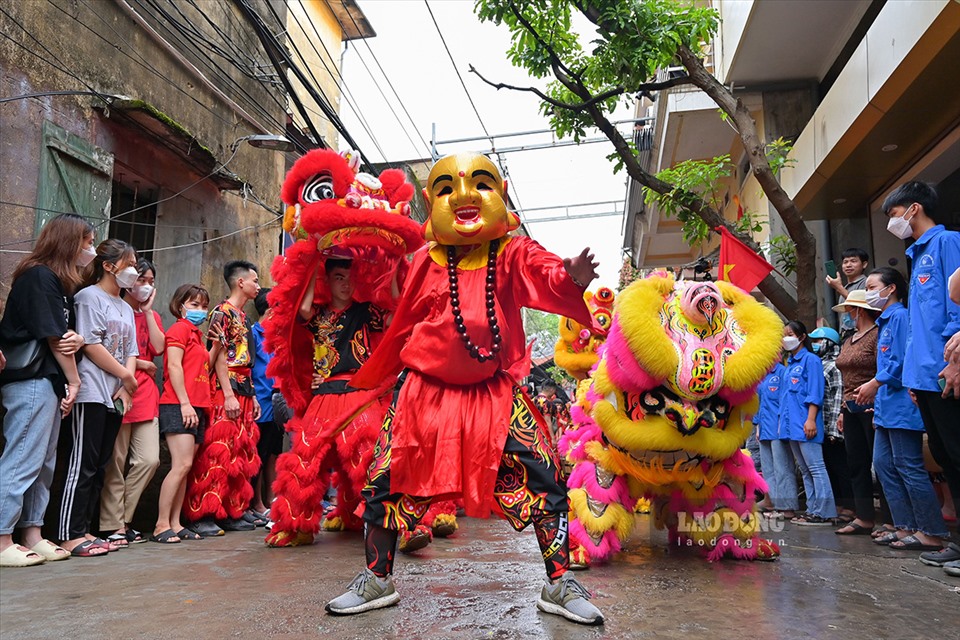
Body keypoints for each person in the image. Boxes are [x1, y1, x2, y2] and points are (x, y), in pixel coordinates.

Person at [325, 153, 604, 625]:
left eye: (480, 183)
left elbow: (547, 275)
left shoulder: (513, 252)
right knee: (384, 480)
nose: (466, 196)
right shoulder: (421, 261)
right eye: (448, 188)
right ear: (433, 202)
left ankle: (558, 583)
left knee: (546, 476)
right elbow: (379, 287)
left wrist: (571, 276)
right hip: (421, 393)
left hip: (493, 394)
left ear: (501, 194)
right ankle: (377, 578)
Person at [265, 258, 392, 547]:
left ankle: (390, 522)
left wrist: (394, 263)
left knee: (370, 458)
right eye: (338, 278)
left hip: (359, 392)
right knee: (304, 459)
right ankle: (296, 525)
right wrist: (314, 260)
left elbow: (393, 318)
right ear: (327, 281)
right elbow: (304, 308)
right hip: (324, 396)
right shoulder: (318, 314)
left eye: (349, 277)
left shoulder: (366, 309)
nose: (346, 284)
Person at [0, 214, 90, 566]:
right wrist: (75, 381)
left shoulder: (57, 283)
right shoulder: (39, 277)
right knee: (22, 458)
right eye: (86, 242)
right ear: (69, 242)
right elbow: (55, 340)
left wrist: (76, 344)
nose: (89, 250)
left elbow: (66, 338)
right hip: (32, 381)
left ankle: (32, 533)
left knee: (43, 462)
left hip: (48, 382)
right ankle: (2, 537)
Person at [853, 267, 949, 552]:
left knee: (909, 466)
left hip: (902, 405)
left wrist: (875, 383)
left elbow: (903, 361)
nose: (868, 293)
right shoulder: (886, 321)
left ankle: (931, 531)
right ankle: (904, 525)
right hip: (886, 406)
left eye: (871, 287)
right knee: (883, 465)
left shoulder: (901, 317)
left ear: (891, 288)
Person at [881, 182, 960, 523]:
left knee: (957, 453)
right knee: (943, 455)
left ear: (914, 208)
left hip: (947, 370)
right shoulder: (916, 254)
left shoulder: (947, 242)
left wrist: (956, 361)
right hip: (925, 376)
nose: (892, 223)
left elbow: (956, 308)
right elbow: (920, 324)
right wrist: (913, 378)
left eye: (895, 214)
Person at [58, 239, 140, 556]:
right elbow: (90, 345)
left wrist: (126, 382)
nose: (132, 270)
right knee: (84, 464)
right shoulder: (88, 298)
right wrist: (125, 375)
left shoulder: (125, 306)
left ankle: (86, 531)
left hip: (116, 394)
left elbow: (131, 350)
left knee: (101, 464)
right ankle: (70, 533)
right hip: (92, 389)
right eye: (129, 264)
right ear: (109, 266)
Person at [184, 261, 261, 536]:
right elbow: (217, 357)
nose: (258, 285)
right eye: (254, 280)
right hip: (224, 389)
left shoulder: (243, 316)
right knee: (217, 451)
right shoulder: (222, 313)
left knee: (240, 452)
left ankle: (231, 511)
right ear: (240, 282)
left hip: (244, 388)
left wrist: (251, 396)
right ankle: (202, 512)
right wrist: (228, 394)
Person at [99, 258, 163, 546]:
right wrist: (141, 364)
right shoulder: (117, 310)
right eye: (141, 279)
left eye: (150, 281)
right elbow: (107, 348)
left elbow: (159, 348)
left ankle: (122, 519)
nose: (145, 285)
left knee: (150, 459)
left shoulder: (150, 316)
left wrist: (148, 312)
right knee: (116, 461)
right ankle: (113, 526)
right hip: (118, 389)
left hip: (146, 395)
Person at [153, 284, 213, 544]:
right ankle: (160, 525)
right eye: (194, 304)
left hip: (196, 405)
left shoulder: (197, 335)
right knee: (181, 465)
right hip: (179, 404)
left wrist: (218, 343)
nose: (200, 310)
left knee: (186, 468)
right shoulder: (178, 329)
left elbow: (203, 368)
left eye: (203, 305)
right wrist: (185, 403)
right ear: (180, 306)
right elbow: (174, 366)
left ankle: (175, 523)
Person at [832, 290, 885, 536]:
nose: (848, 315)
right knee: (856, 462)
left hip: (873, 404)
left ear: (859, 310)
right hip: (850, 406)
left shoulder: (877, 334)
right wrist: (843, 408)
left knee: (882, 464)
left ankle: (891, 519)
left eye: (850, 310)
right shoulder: (848, 339)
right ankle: (864, 517)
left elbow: (883, 369)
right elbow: (844, 378)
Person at [781, 320, 837, 525]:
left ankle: (824, 512)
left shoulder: (811, 360)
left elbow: (815, 392)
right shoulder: (790, 364)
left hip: (806, 423)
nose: (785, 338)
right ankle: (812, 509)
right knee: (805, 469)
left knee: (816, 467)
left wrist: (811, 419)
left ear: (802, 337)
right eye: (784, 334)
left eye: (790, 334)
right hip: (792, 424)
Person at [809, 327, 855, 523]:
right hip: (823, 424)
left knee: (841, 466)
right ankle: (837, 504)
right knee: (829, 465)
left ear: (829, 342)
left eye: (818, 340)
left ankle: (850, 507)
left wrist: (835, 428)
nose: (815, 344)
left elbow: (838, 394)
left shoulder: (834, 365)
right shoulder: (819, 364)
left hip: (834, 425)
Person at [248, 288, 281, 527]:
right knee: (258, 454)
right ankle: (256, 503)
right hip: (259, 400)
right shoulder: (253, 334)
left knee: (272, 453)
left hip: (276, 402)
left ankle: (269, 500)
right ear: (270, 310)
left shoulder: (277, 337)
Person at [755, 357, 797, 518]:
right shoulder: (762, 375)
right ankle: (772, 502)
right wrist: (758, 425)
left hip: (778, 428)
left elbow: (785, 403)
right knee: (768, 470)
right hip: (764, 428)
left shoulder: (782, 373)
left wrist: (782, 426)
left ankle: (787, 508)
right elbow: (759, 402)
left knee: (783, 468)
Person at [826, 248, 869, 335]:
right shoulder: (845, 287)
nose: (848, 265)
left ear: (864, 264)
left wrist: (839, 288)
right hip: (845, 334)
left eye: (853, 261)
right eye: (845, 262)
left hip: (859, 332)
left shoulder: (867, 282)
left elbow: (861, 306)